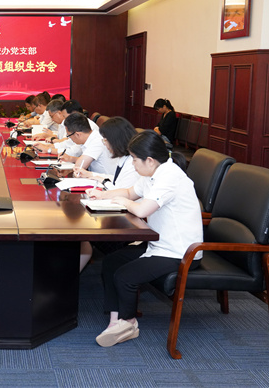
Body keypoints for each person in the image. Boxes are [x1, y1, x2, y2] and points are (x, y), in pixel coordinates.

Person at [85, 130, 202, 348]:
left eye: (134, 159)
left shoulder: (170, 177)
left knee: (125, 276)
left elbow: (141, 209)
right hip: (159, 244)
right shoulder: (152, 172)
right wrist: (102, 195)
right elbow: (131, 193)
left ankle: (129, 323)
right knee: (112, 262)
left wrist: (121, 201)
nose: (132, 164)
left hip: (180, 251)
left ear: (149, 160)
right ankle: (115, 321)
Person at [73, 117, 142, 271]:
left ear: (115, 140)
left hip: (128, 223)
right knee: (83, 235)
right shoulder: (124, 158)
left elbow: (121, 192)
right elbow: (116, 181)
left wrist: (102, 189)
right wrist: (92, 176)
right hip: (121, 215)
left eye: (105, 140)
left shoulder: (134, 163)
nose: (104, 144)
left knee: (84, 233)